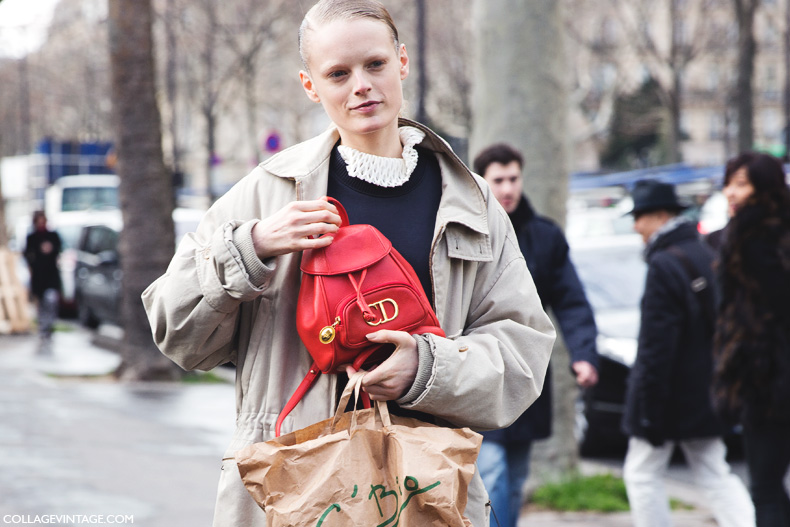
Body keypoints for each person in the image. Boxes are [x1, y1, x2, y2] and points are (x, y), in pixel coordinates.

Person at [141, 1, 556, 525]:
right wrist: (251, 246)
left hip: (424, 494)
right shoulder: (267, 195)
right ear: (310, 85)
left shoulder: (470, 201)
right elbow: (176, 332)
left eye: (375, 65)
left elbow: (523, 351)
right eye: (338, 73)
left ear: (402, 62)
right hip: (294, 492)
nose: (361, 85)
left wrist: (427, 369)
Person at [472, 143, 599, 527]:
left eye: (513, 178)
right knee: (490, 471)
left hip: (527, 368)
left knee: (514, 476)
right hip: (477, 367)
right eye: (498, 180)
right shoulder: (467, 229)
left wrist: (584, 354)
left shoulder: (545, 236)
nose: (507, 188)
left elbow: (571, 299)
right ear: (482, 181)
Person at [622, 179, 754, 527]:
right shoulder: (704, 254)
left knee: (641, 474)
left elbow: (656, 345)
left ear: (661, 216)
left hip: (670, 399)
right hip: (706, 392)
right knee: (715, 472)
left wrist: (648, 410)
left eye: (640, 217)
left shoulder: (664, 264)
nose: (636, 226)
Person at [713, 152, 790, 527]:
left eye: (741, 183)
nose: (730, 192)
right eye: (729, 182)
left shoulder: (750, 236)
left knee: (765, 487)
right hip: (771, 377)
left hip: (769, 380)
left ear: (764, 188)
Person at [23, 211, 62, 354]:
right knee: (41, 304)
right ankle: (43, 328)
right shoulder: (32, 238)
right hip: (38, 277)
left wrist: (50, 250)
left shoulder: (53, 236)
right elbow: (27, 254)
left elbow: (59, 250)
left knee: (51, 300)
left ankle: (49, 327)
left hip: (51, 275)